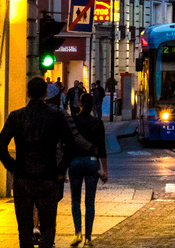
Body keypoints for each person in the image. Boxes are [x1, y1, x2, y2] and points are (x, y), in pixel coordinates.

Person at [0, 76, 96, 248]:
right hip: (48, 176)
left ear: (27, 93)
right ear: (45, 94)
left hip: (23, 178)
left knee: (24, 228)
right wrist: (61, 169)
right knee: (48, 227)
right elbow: (71, 144)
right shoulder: (56, 115)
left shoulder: (16, 116)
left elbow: (0, 145)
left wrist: (13, 167)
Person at [67, 93, 108, 247]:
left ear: (80, 103)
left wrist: (63, 169)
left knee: (75, 201)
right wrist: (105, 171)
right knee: (89, 202)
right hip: (92, 163)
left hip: (75, 162)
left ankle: (77, 233)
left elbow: (68, 145)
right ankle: (88, 238)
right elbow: (102, 148)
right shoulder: (97, 123)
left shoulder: (73, 121)